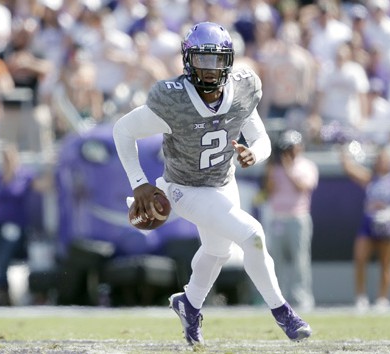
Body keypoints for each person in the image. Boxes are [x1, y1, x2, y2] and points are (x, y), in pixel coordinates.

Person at [112, 22, 311, 347]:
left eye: (216, 60)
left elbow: (260, 137)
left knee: (218, 250)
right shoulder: (172, 99)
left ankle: (189, 304)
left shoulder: (244, 88)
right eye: (202, 60)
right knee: (253, 236)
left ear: (228, 61)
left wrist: (255, 154)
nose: (209, 69)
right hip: (184, 187)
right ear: (188, 61)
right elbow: (123, 130)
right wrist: (139, 183)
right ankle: (283, 313)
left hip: (223, 181)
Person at [340, 144, 390, 312]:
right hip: (369, 222)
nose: (381, 161)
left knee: (386, 262)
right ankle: (361, 298)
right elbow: (349, 169)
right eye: (379, 158)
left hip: (387, 225)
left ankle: (383, 299)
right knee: (360, 258)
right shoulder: (370, 178)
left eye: (385, 159)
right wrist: (344, 148)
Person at [0, 144, 51, 306]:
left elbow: (42, 186)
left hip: (17, 226)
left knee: (6, 251)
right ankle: (1, 288)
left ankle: (1, 289)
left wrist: (50, 171)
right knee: (1, 253)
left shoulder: (25, 176)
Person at [261, 130, 318, 311]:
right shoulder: (275, 167)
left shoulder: (306, 165)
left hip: (298, 217)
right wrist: (270, 168)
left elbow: (304, 187)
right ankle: (276, 299)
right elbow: (268, 191)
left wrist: (288, 169)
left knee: (300, 260)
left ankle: (302, 298)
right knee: (274, 259)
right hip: (277, 218)